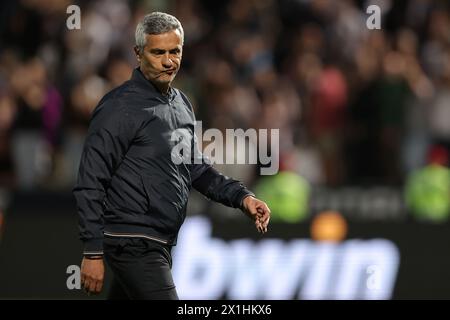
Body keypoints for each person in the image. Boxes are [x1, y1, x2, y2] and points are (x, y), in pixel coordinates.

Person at [73, 12, 271, 300]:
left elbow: (196, 170)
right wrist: (92, 251)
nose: (168, 61)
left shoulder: (181, 104)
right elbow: (90, 180)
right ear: (138, 53)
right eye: (158, 52)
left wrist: (242, 197)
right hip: (132, 242)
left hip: (160, 242)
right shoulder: (118, 107)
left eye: (174, 51)